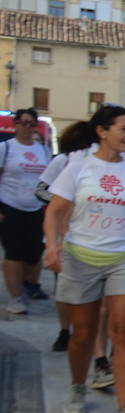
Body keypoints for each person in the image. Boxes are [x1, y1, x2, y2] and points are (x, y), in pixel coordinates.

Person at [43, 104, 125, 413]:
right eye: (123, 129)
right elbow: (55, 211)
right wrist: (52, 246)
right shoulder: (78, 167)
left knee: (123, 332)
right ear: (102, 131)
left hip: (122, 256)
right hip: (80, 258)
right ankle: (78, 384)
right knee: (82, 332)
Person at [36, 122, 90, 351]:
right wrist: (63, 201)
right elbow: (40, 189)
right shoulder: (64, 161)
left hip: (88, 235)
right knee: (63, 289)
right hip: (62, 233)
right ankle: (64, 330)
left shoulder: (102, 165)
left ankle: (82, 331)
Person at [1, 108, 52, 315]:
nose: (27, 127)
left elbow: (49, 180)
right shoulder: (6, 148)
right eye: (23, 122)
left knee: (34, 253)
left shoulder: (43, 151)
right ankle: (16, 297)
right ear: (16, 124)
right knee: (14, 252)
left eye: (31, 123)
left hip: (35, 207)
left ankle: (22, 284)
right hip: (9, 205)